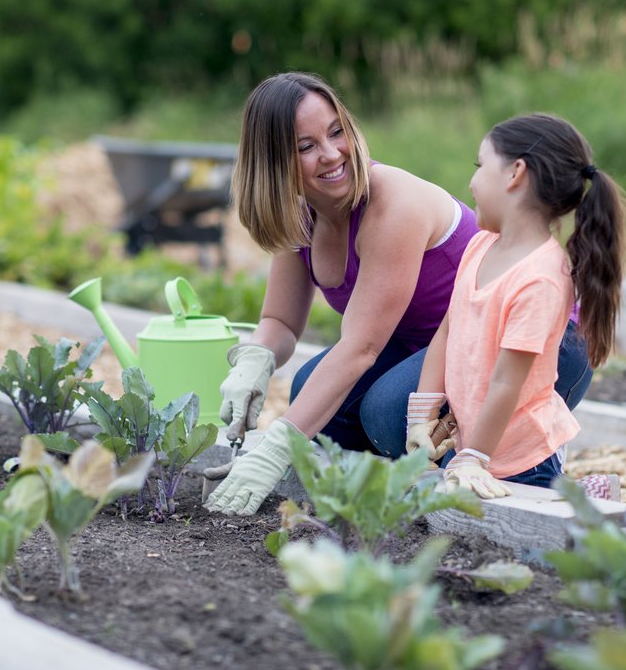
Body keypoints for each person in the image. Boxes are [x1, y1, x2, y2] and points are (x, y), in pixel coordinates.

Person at [205, 74, 593, 516]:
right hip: (436, 347)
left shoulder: (392, 204)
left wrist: (276, 450)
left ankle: (532, 468)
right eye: (305, 146)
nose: (332, 154)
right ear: (274, 162)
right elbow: (280, 322)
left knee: (387, 414)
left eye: (336, 132)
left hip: (531, 345)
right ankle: (433, 460)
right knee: (310, 393)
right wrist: (255, 359)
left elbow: (361, 348)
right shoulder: (302, 215)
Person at [404, 113, 626, 534]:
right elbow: (448, 328)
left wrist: (473, 457)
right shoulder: (481, 244)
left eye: (480, 167)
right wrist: (421, 416)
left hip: (521, 457)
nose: (471, 182)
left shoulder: (541, 277)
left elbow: (506, 382)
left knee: (555, 545)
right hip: (482, 449)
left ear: (515, 173)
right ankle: (582, 494)